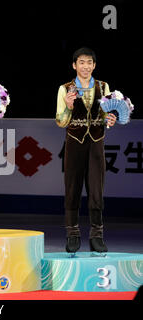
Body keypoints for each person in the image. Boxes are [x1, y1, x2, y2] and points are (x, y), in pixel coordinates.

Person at [55, 47, 116, 253]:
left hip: (96, 143)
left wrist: (111, 119)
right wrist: (68, 107)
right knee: (72, 188)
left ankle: (97, 235)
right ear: (74, 65)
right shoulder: (65, 89)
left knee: (96, 188)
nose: (86, 66)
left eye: (89, 62)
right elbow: (61, 121)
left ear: (94, 65)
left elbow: (107, 116)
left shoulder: (103, 86)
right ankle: (72, 234)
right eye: (81, 62)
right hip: (74, 143)